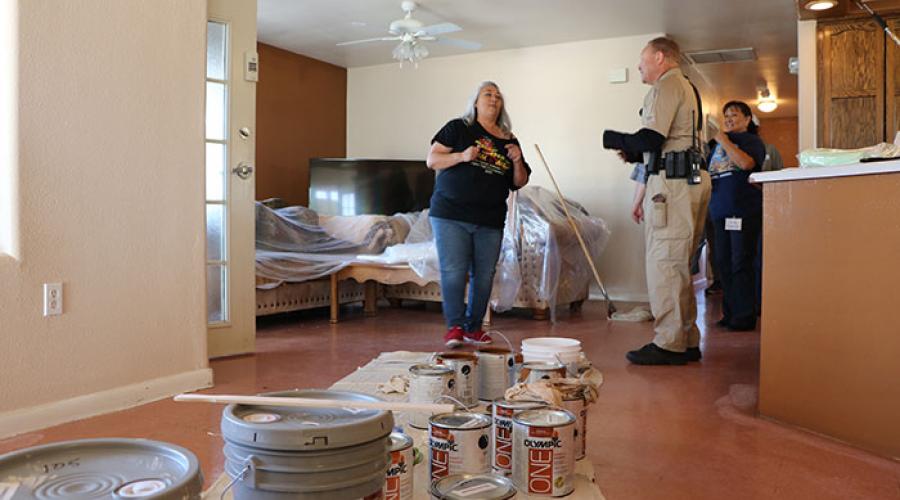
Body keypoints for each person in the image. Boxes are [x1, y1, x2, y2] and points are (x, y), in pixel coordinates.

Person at [603, 37, 712, 365]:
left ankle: (668, 343)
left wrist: (612, 138)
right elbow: (664, 141)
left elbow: (652, 137)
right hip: (691, 178)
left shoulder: (667, 85)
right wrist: (635, 152)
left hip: (674, 184)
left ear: (661, 57)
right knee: (679, 263)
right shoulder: (688, 87)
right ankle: (686, 338)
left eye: (642, 61)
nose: (639, 68)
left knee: (665, 263)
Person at [426, 81, 531, 348]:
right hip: (451, 214)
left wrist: (518, 160)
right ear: (475, 101)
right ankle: (455, 328)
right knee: (454, 271)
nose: (493, 98)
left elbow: (519, 182)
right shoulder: (459, 127)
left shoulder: (509, 139)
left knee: (484, 275)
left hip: (490, 219)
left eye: (498, 95)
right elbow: (432, 160)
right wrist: (462, 156)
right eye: (488, 93)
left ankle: (473, 328)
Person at [707, 101, 766, 331]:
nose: (729, 119)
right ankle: (729, 313)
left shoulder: (751, 142)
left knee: (741, 262)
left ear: (747, 119)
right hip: (719, 213)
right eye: (726, 116)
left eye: (734, 115)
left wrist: (724, 141)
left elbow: (746, 163)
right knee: (723, 263)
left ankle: (744, 316)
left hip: (743, 212)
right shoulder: (715, 146)